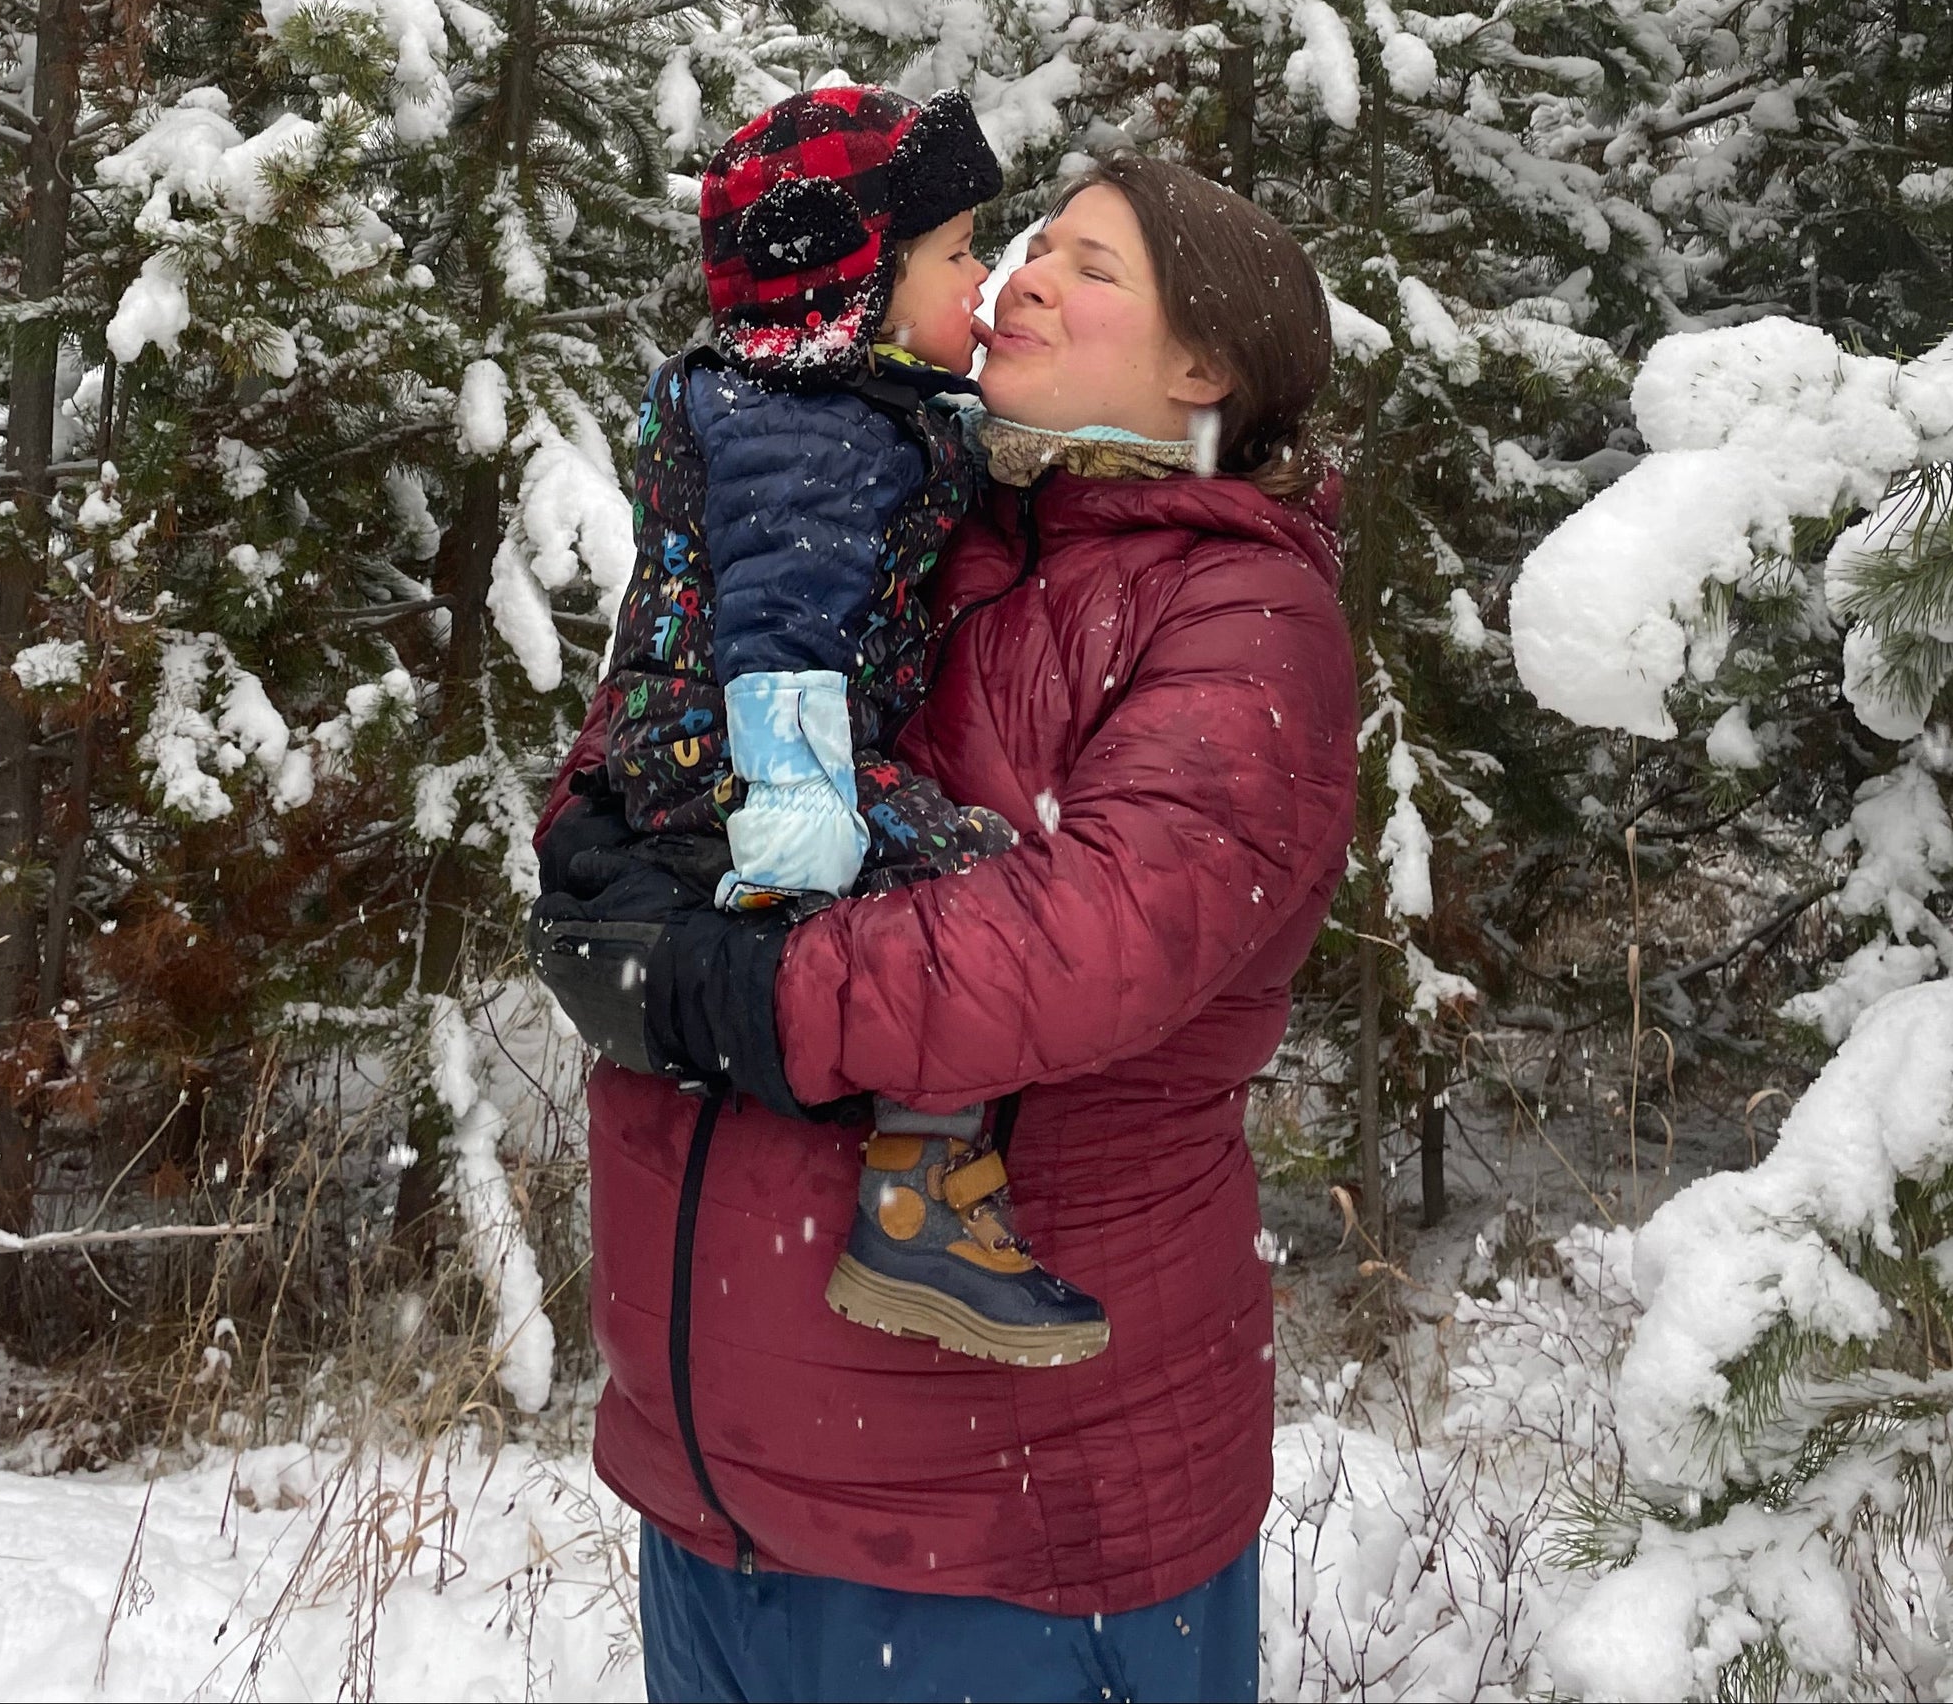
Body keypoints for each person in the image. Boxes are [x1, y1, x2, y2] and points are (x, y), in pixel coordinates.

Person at [534, 151, 1359, 1703]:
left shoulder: (1239, 616)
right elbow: (660, 743)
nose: (1026, 273)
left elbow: (1093, 942)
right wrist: (607, 856)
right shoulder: (895, 514)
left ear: (1209, 364)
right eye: (1032, 244)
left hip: (1006, 1538)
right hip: (715, 1499)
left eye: (1093, 264)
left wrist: (747, 995)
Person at [532, 84, 1110, 1367]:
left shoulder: (818, 404)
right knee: (973, 895)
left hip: (740, 742)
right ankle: (918, 1195)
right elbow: (787, 622)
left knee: (955, 886)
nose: (982, 278)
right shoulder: (806, 439)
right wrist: (799, 810)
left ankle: (919, 1177)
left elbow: (919, 452)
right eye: (957, 254)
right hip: (737, 755)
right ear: (846, 288)